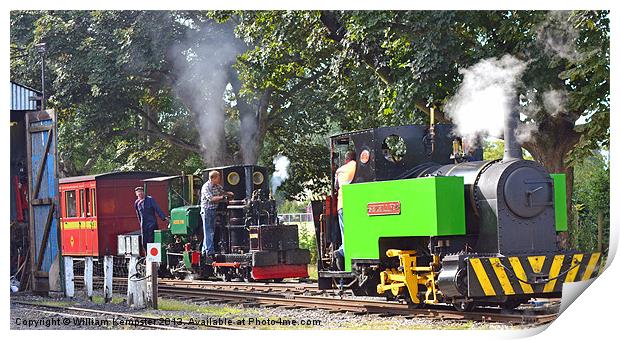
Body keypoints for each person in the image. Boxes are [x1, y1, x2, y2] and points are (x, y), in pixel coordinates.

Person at [200, 170, 234, 261]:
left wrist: (229, 194)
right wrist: (223, 197)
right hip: (207, 211)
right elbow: (211, 199)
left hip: (214, 210)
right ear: (213, 178)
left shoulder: (217, 186)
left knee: (212, 231)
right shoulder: (206, 187)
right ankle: (209, 252)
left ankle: (205, 251)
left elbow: (223, 192)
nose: (220, 180)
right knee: (209, 231)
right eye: (218, 178)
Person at [334, 150, 356, 270]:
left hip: (342, 205)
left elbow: (336, 187)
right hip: (356, 205)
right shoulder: (358, 167)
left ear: (346, 159)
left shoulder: (339, 170)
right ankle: (343, 253)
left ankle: (342, 252)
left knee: (345, 234)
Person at [134, 187, 167, 253]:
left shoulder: (150, 199)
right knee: (144, 241)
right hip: (144, 224)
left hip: (152, 223)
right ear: (136, 194)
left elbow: (157, 208)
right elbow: (138, 215)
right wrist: (140, 223)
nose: (140, 193)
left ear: (143, 192)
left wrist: (163, 217)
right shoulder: (137, 203)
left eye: (141, 192)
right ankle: (147, 256)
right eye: (138, 193)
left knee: (151, 240)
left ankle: (153, 256)